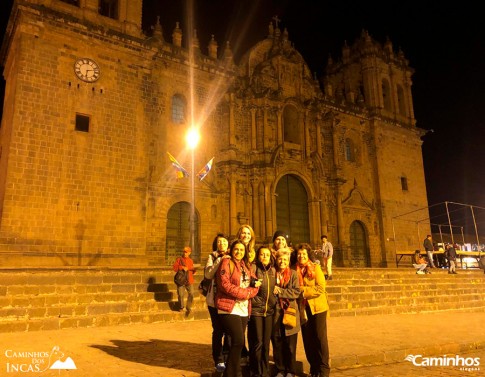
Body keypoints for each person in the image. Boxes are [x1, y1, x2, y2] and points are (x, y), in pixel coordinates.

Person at [216, 240, 260, 377]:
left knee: (238, 344)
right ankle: (229, 374)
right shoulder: (226, 263)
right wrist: (244, 293)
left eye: (242, 250)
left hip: (243, 308)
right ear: (231, 249)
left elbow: (256, 284)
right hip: (229, 307)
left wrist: (249, 293)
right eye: (236, 249)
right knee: (238, 340)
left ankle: (235, 373)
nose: (239, 252)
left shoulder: (246, 266)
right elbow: (225, 285)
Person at [296, 243, 330, 377]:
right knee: (308, 339)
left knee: (320, 338)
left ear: (308, 255)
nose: (301, 256)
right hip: (303, 308)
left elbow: (321, 287)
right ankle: (314, 368)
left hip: (318, 308)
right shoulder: (294, 270)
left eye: (304, 253)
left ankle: (324, 369)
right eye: (299, 254)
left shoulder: (315, 268)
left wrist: (303, 291)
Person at [272, 248, 301, 377]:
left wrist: (280, 291)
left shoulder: (293, 274)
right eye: (280, 259)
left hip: (290, 312)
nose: (282, 261)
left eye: (285, 259)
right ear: (276, 260)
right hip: (275, 313)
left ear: (288, 261)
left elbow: (295, 292)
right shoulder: (272, 273)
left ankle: (290, 371)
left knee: (290, 346)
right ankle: (280, 369)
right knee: (277, 343)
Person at [248, 246, 276, 377]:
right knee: (257, 342)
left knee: (265, 342)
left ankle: (264, 372)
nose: (265, 257)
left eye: (267, 254)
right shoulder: (254, 268)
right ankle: (255, 371)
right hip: (256, 311)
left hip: (269, 311)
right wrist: (253, 282)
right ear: (258, 256)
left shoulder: (273, 271)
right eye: (262, 254)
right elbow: (247, 279)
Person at [205, 233, 231, 373]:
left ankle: (227, 356)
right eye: (219, 242)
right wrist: (220, 259)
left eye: (224, 241)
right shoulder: (212, 256)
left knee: (229, 331)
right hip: (213, 301)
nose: (222, 244)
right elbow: (208, 274)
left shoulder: (233, 256)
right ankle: (218, 359)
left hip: (228, 299)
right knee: (218, 331)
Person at [235, 224, 256, 361]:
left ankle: (249, 353)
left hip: (250, 293)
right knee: (237, 327)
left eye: (248, 234)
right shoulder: (235, 250)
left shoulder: (254, 252)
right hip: (238, 292)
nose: (246, 236)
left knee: (249, 324)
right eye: (243, 233)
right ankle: (238, 353)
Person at [172, 246, 195, 315]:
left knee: (191, 293)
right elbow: (174, 268)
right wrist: (182, 267)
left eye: (186, 252)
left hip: (189, 280)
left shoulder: (191, 260)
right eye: (184, 251)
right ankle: (181, 307)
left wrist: (192, 269)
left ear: (189, 253)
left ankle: (188, 306)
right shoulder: (179, 259)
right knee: (181, 294)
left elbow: (193, 271)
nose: (185, 253)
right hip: (181, 280)